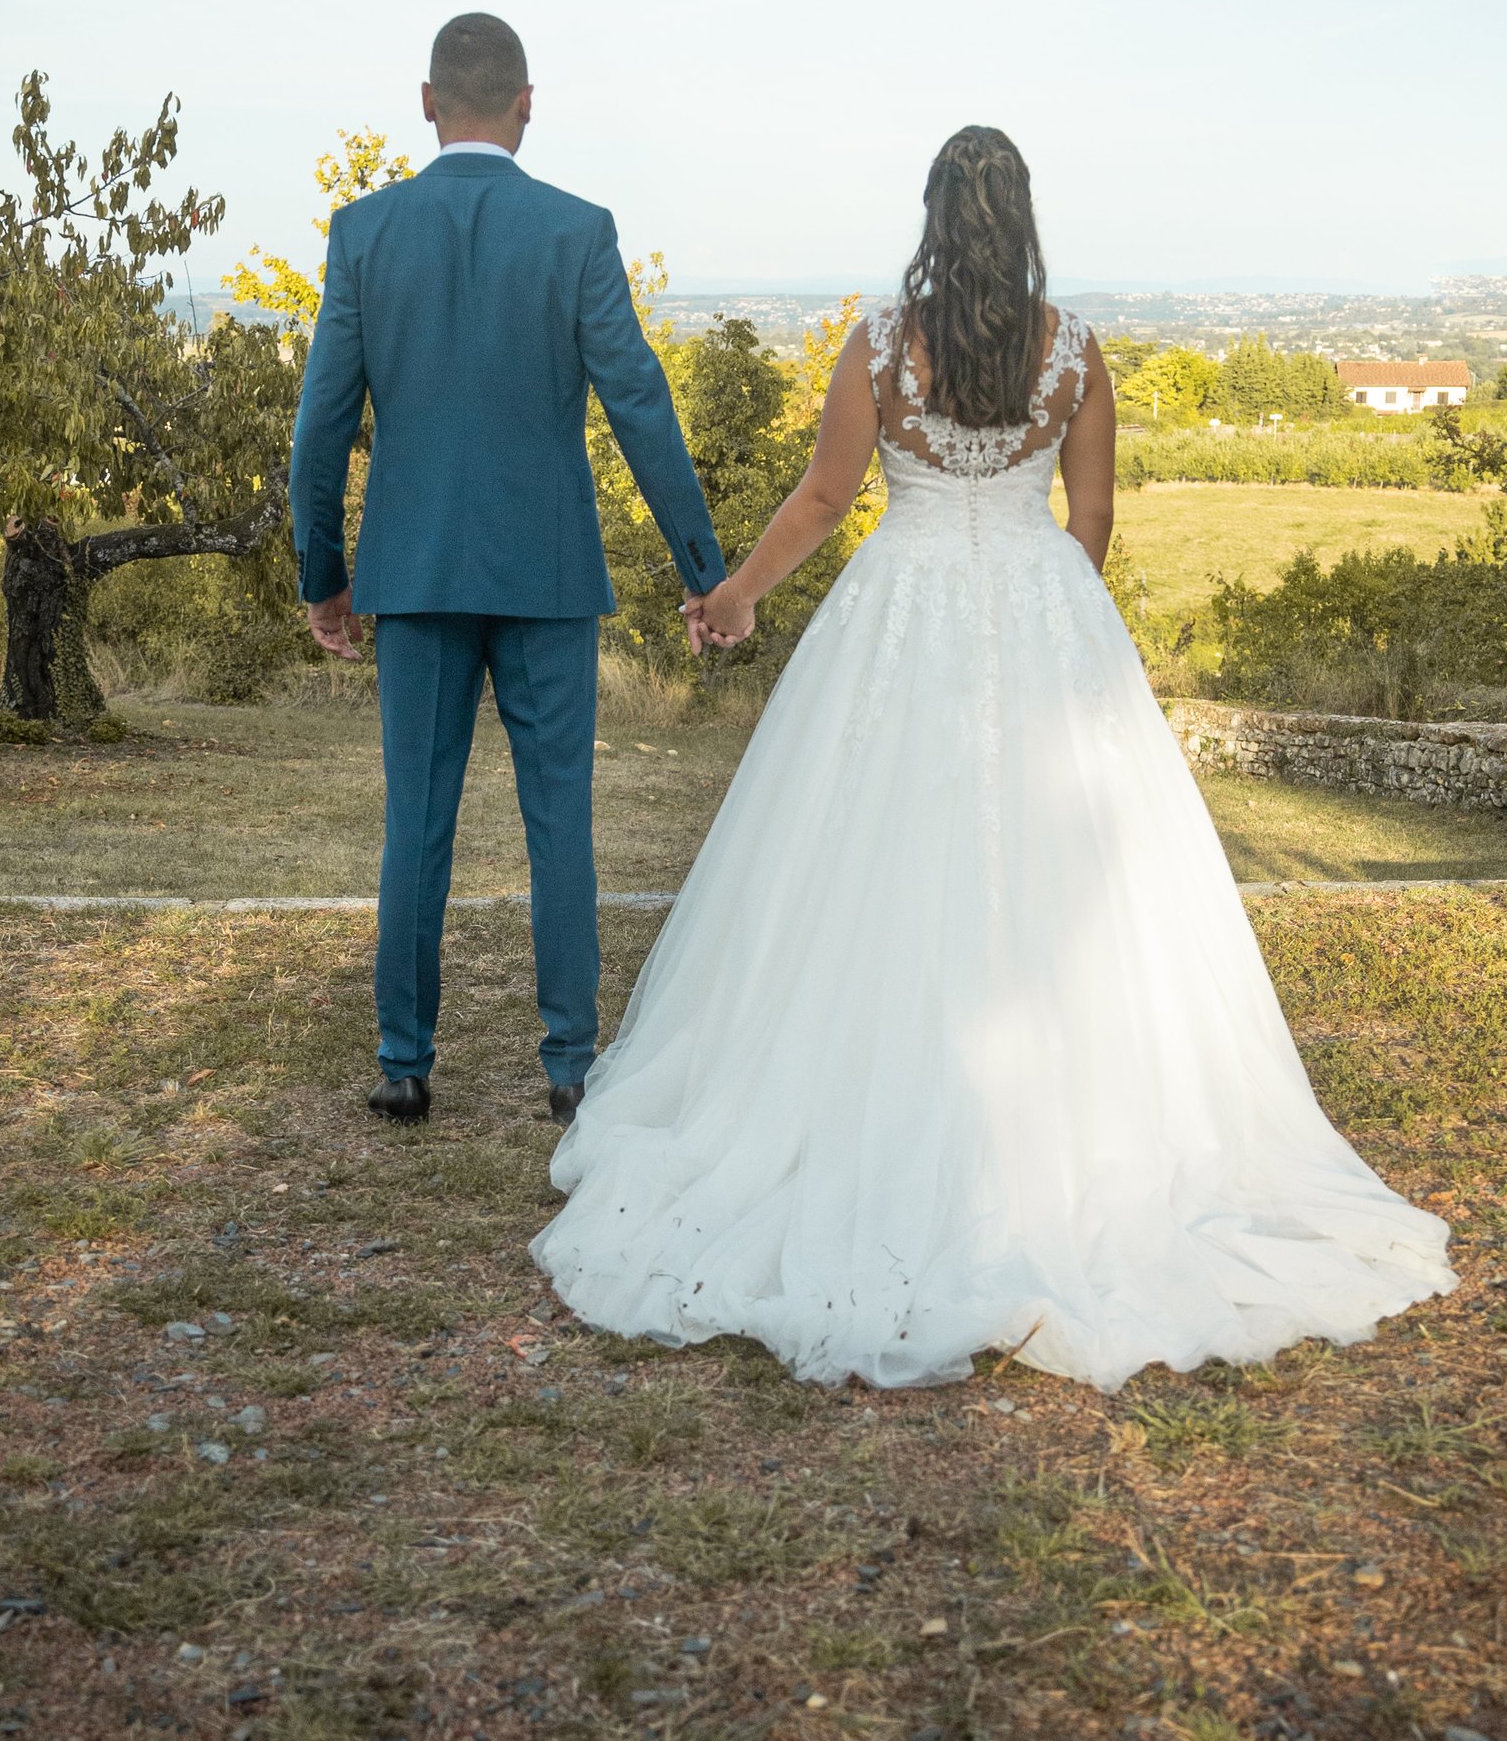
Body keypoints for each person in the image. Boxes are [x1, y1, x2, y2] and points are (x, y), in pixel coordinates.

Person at [532, 124, 1453, 1391]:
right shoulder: (1073, 351)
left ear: (927, 212)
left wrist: (737, 592)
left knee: (863, 851)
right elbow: (1093, 518)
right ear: (1021, 216)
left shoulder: (875, 344)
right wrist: (1058, 636)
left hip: (896, 610)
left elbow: (820, 498)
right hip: (1038, 608)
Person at [291, 12, 726, 1126]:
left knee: (416, 822)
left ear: (427, 102)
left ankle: (402, 1059)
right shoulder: (576, 231)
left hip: (415, 571)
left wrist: (320, 574)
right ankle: (569, 1061)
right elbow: (638, 400)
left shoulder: (364, 231)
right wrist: (702, 565)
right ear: (527, 104)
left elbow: (320, 429)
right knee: (559, 820)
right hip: (546, 576)